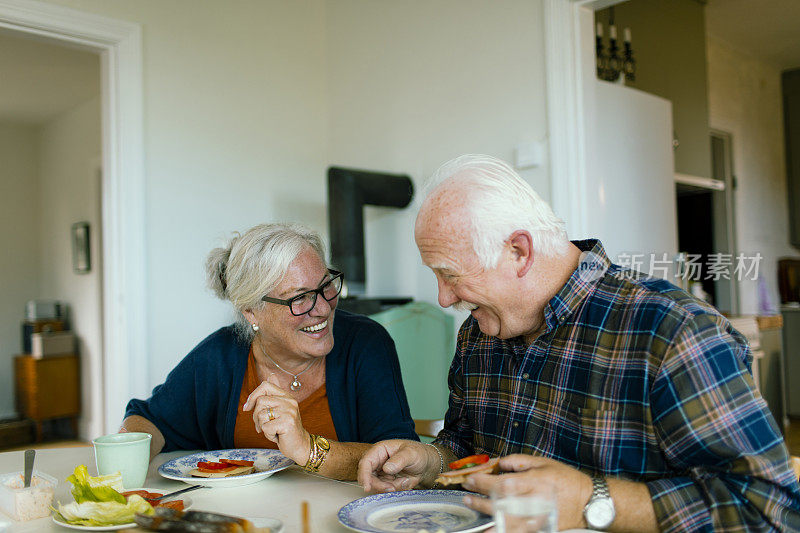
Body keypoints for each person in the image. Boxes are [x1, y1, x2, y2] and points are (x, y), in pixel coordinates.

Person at [358, 155, 800, 531]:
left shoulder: (672, 331)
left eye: (450, 274)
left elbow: (767, 509)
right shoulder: (480, 333)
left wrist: (591, 500)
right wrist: (431, 461)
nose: (443, 297)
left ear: (519, 251)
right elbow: (465, 444)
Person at [123, 223, 417, 480]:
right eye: (299, 298)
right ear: (251, 311)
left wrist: (306, 446)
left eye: (326, 286)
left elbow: (400, 457)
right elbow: (149, 420)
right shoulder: (219, 356)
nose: (324, 308)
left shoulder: (365, 343)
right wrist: (122, 465)